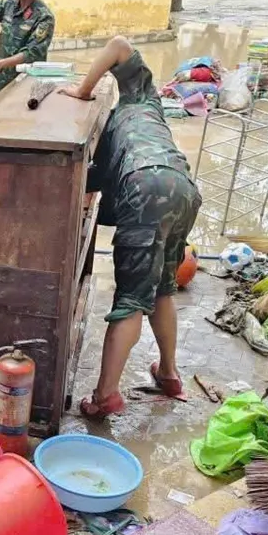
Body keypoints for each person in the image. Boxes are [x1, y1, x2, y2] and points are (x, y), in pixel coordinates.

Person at [59, 37, 201, 419]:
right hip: (183, 188)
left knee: (131, 299)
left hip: (145, 188)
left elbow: (117, 44)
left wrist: (80, 91)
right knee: (163, 286)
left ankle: (106, 396)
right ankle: (169, 374)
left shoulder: (128, 107)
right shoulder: (146, 101)